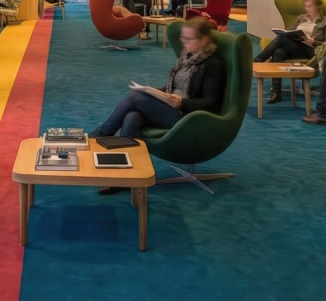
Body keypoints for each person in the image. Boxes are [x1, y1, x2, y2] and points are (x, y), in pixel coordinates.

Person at [91, 18, 226, 194]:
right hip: (171, 107)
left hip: (187, 117)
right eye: (183, 38)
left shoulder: (211, 65)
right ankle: (124, 175)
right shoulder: (187, 57)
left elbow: (211, 102)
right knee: (131, 117)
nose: (184, 43)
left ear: (204, 40)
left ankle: (100, 136)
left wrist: (181, 102)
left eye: (189, 39)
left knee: (134, 97)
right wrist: (156, 93)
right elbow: (175, 87)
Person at [255, 0, 326, 103]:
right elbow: (290, 33)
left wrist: (314, 42)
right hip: (295, 47)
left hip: (310, 50)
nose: (307, 9)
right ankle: (276, 93)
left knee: (282, 39)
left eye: (310, 6)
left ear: (317, 5)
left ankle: (258, 60)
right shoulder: (300, 18)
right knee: (279, 52)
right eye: (306, 6)